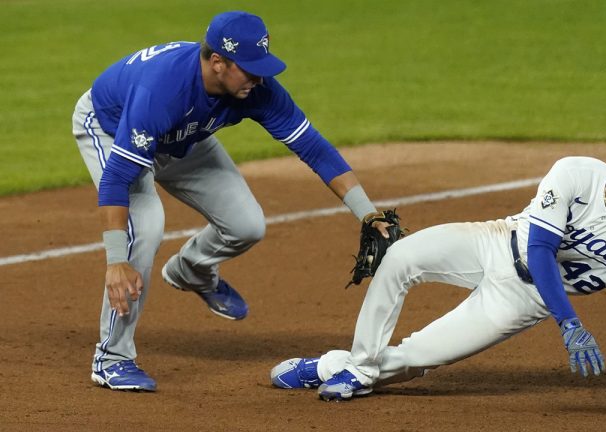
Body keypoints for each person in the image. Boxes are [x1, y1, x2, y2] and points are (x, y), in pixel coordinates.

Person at [72, 11, 391, 392]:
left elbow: (313, 147)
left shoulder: (256, 89)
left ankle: (192, 270)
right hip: (111, 128)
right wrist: (115, 261)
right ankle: (111, 358)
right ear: (218, 63)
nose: (258, 78)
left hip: (183, 136)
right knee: (146, 224)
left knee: (246, 224)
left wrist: (367, 212)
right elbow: (117, 178)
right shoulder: (162, 90)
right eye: (249, 69)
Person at [270, 139, 606, 413]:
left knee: (418, 357)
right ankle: (360, 368)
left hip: (522, 301)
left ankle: (329, 367)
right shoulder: (577, 173)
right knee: (400, 257)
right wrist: (569, 322)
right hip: (496, 240)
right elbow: (541, 248)